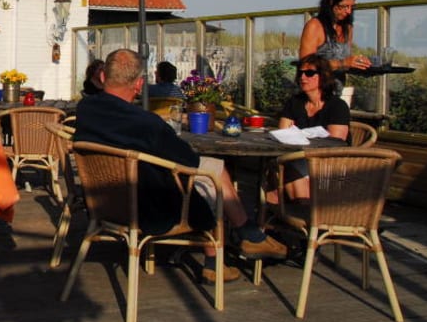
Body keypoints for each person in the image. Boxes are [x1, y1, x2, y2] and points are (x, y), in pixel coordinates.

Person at [74, 49, 286, 283]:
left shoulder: (86, 110)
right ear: (139, 84)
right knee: (213, 173)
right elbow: (188, 160)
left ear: (103, 77)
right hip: (149, 208)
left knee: (212, 170)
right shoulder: (147, 124)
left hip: (104, 202)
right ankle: (234, 244)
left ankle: (242, 237)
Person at [272, 54, 350, 202]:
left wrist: (298, 135)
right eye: (300, 72)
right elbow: (283, 133)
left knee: (285, 168)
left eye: (309, 73)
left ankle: (305, 212)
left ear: (323, 76)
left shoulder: (337, 106)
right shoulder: (294, 102)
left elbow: (336, 144)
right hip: (298, 158)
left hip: (328, 164)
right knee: (275, 165)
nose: (303, 77)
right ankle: (274, 215)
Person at [299, 0, 372, 80]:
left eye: (352, 7)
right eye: (344, 6)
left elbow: (345, 62)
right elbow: (305, 65)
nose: (349, 11)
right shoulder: (315, 26)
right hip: (317, 91)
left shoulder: (347, 27)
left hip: (337, 91)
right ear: (331, 2)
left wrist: (359, 63)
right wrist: (343, 63)